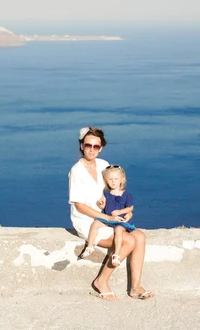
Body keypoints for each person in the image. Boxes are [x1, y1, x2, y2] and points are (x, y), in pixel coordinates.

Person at [68, 126, 155, 301]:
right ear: (81, 146)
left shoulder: (103, 165)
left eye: (96, 146)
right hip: (88, 221)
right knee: (129, 240)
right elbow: (79, 205)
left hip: (108, 218)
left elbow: (115, 191)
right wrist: (106, 217)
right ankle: (101, 280)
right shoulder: (76, 171)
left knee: (140, 237)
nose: (92, 149)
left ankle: (135, 287)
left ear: (101, 148)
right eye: (88, 145)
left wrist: (126, 213)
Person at [80, 165, 136, 268]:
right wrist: (101, 204)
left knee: (119, 230)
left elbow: (130, 208)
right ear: (106, 181)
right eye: (110, 179)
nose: (113, 181)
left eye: (116, 179)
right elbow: (105, 206)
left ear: (121, 180)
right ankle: (90, 246)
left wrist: (120, 211)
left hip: (120, 220)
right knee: (96, 223)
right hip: (109, 219)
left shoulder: (126, 195)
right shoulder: (106, 193)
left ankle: (116, 254)